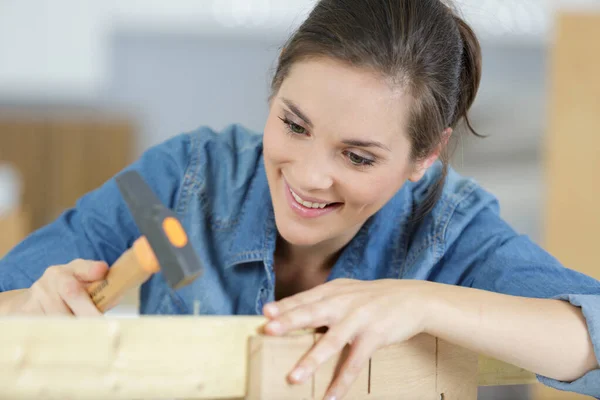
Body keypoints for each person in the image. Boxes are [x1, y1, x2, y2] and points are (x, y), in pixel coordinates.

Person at [1, 0, 599, 399]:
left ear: (426, 157)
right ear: (274, 92)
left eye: (358, 157)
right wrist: (30, 307)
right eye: (293, 124)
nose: (309, 177)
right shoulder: (180, 178)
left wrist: (422, 303)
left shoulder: (451, 226)